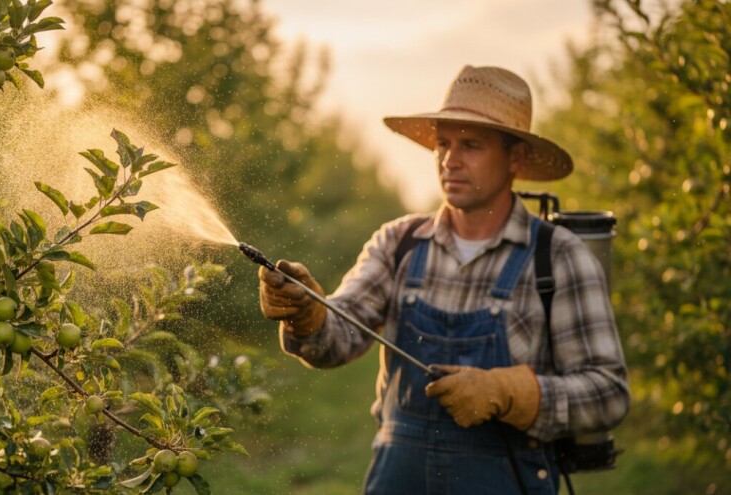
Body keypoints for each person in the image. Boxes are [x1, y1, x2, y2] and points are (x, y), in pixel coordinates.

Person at [257, 65, 630, 495]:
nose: (451, 159)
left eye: (471, 145)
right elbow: (338, 339)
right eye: (443, 144)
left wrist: (508, 392)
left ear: (517, 159)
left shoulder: (559, 257)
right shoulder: (399, 243)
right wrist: (308, 314)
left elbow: (608, 394)